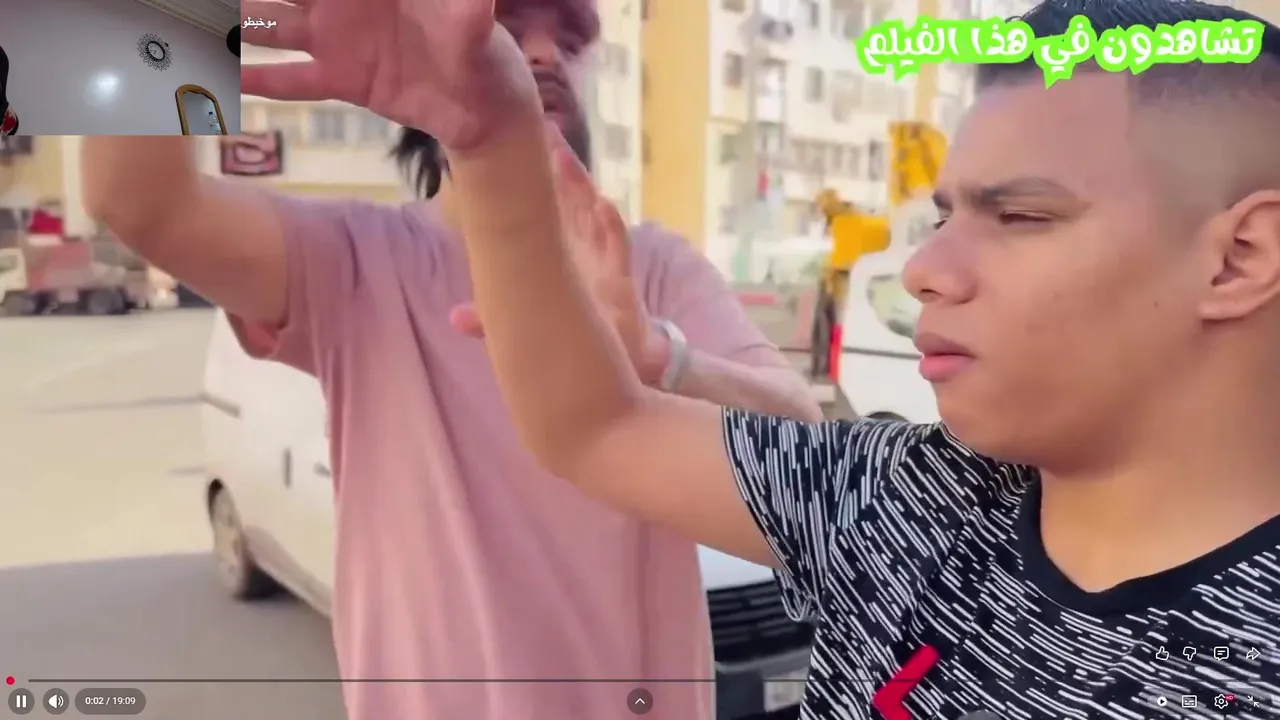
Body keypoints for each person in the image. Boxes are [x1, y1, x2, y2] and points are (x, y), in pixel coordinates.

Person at [429, 0, 1280, 717]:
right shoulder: (908, 498)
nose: (924, 270)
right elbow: (596, 428)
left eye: (1021, 217)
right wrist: (488, 130)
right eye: (943, 217)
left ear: (1240, 258)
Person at [80, 1, 819, 719]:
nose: (543, 55)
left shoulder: (652, 265)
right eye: (508, 25)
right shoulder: (354, 259)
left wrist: (660, 357)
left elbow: (805, 445)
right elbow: (134, 198)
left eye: (568, 39)